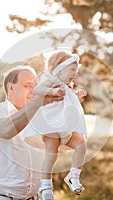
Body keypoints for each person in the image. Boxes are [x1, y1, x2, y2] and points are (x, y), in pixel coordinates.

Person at [0, 65, 64, 200]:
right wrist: (39, 101)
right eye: (28, 85)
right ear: (11, 88)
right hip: (0, 197)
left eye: (36, 86)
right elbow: (7, 130)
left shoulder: (40, 116)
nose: (34, 90)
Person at [22, 51, 87, 200]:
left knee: (81, 143)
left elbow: (67, 99)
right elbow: (37, 90)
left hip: (65, 126)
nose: (74, 74)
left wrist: (76, 95)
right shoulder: (51, 80)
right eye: (71, 70)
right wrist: (52, 91)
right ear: (59, 69)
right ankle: (45, 186)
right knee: (51, 154)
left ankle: (73, 175)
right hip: (50, 124)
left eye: (76, 71)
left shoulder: (67, 85)